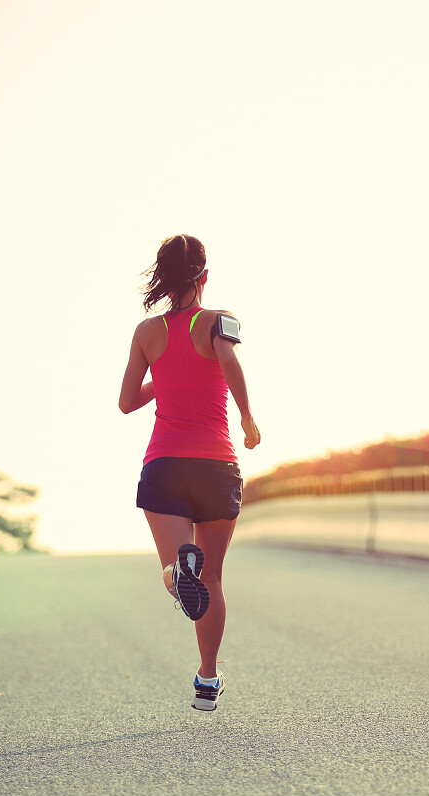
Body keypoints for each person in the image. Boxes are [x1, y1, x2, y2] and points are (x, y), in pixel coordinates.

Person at [118, 234, 260, 712]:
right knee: (212, 579)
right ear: (204, 276)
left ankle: (176, 572)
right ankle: (207, 678)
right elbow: (228, 360)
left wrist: (166, 376)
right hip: (216, 466)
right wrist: (247, 418)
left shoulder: (147, 332)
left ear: (163, 278)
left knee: (179, 572)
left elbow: (127, 402)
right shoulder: (218, 320)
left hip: (165, 466)